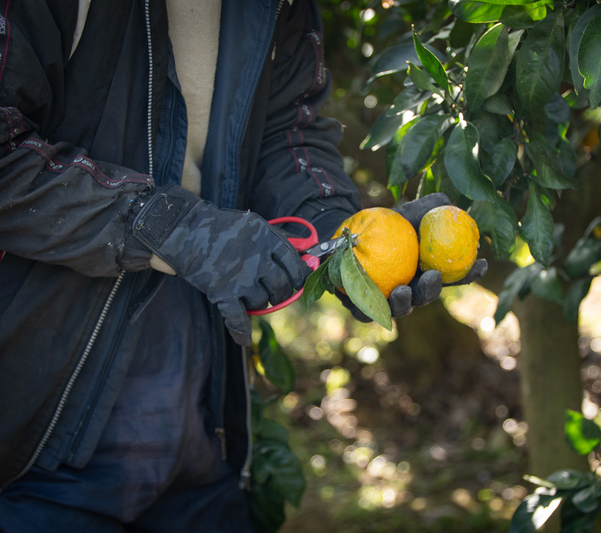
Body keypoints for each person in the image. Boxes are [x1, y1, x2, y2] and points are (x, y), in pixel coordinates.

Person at [0, 0, 485, 531]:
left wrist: (337, 234)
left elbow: (288, 129)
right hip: (42, 403)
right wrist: (171, 227)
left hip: (203, 390)